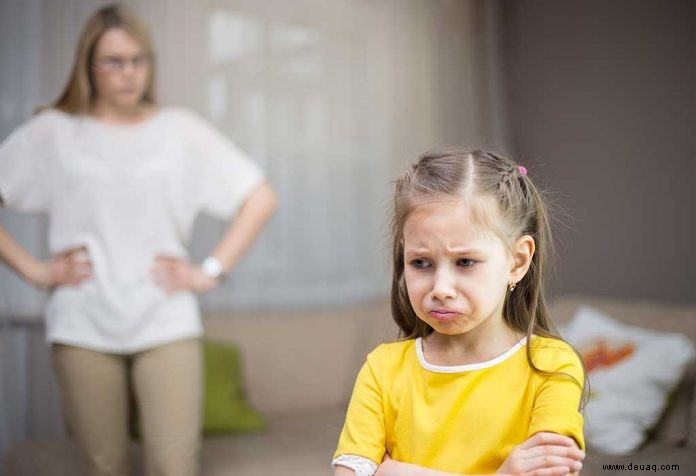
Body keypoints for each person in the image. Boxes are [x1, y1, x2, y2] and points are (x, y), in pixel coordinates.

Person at [0, 4, 277, 476]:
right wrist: (36, 270)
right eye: (113, 61)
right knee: (106, 465)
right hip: (81, 320)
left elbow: (260, 197)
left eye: (138, 60)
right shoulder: (56, 132)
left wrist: (209, 271)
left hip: (165, 317)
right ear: (89, 65)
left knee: (174, 466)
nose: (128, 73)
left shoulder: (180, 130)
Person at [332, 150, 587, 476]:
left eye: (465, 262)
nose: (440, 288)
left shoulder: (552, 366)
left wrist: (391, 471)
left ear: (518, 261)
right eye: (420, 263)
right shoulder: (382, 370)